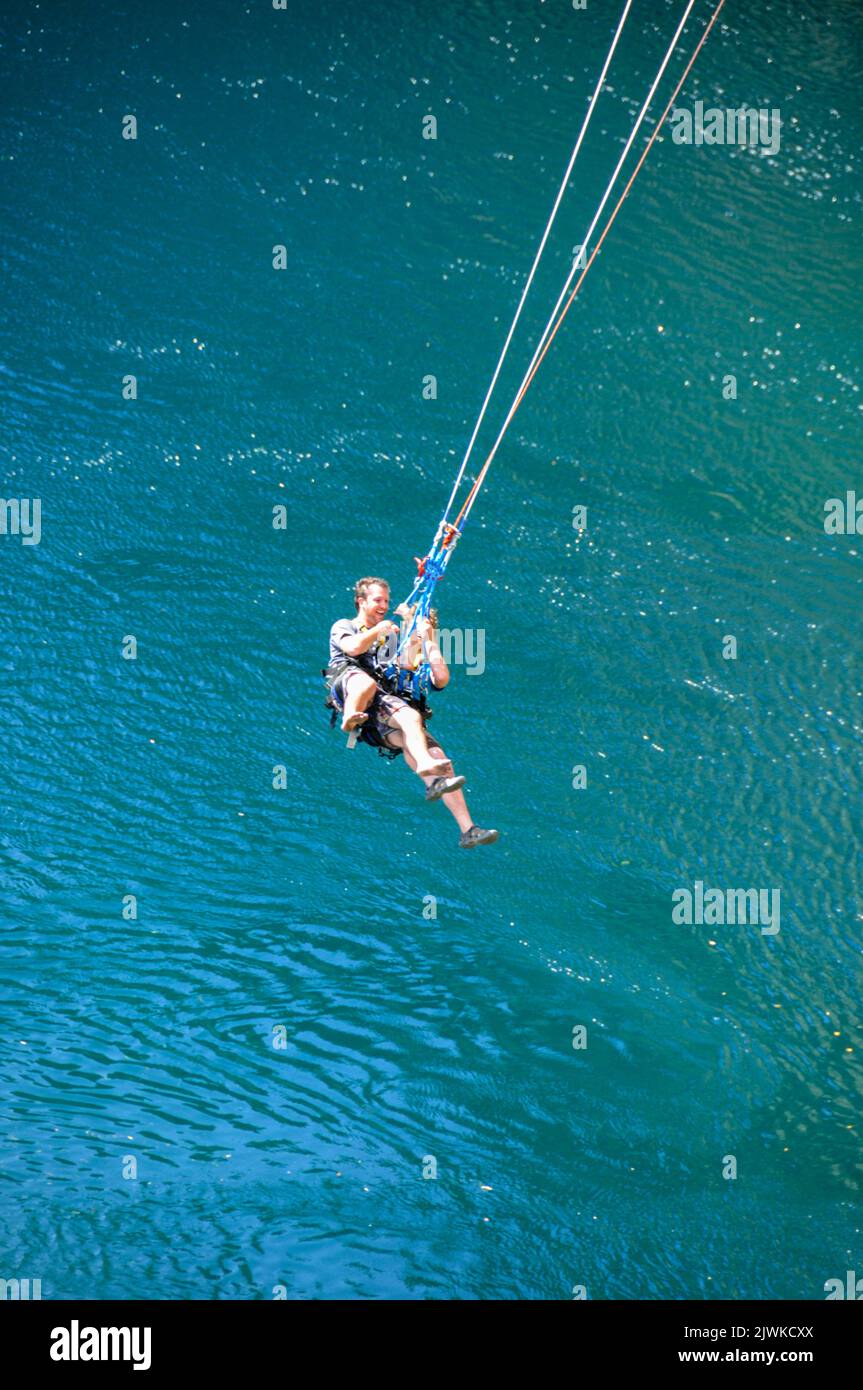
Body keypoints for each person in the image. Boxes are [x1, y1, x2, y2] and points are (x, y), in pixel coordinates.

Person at [324, 577, 498, 848]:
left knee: (439, 757)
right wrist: (390, 627)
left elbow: (433, 674)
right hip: (358, 693)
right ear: (361, 601)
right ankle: (350, 716)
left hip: (383, 719)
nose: (384, 605)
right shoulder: (346, 627)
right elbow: (361, 650)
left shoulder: (400, 642)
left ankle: (468, 829)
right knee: (398, 708)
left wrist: (426, 636)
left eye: (386, 600)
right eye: (378, 600)